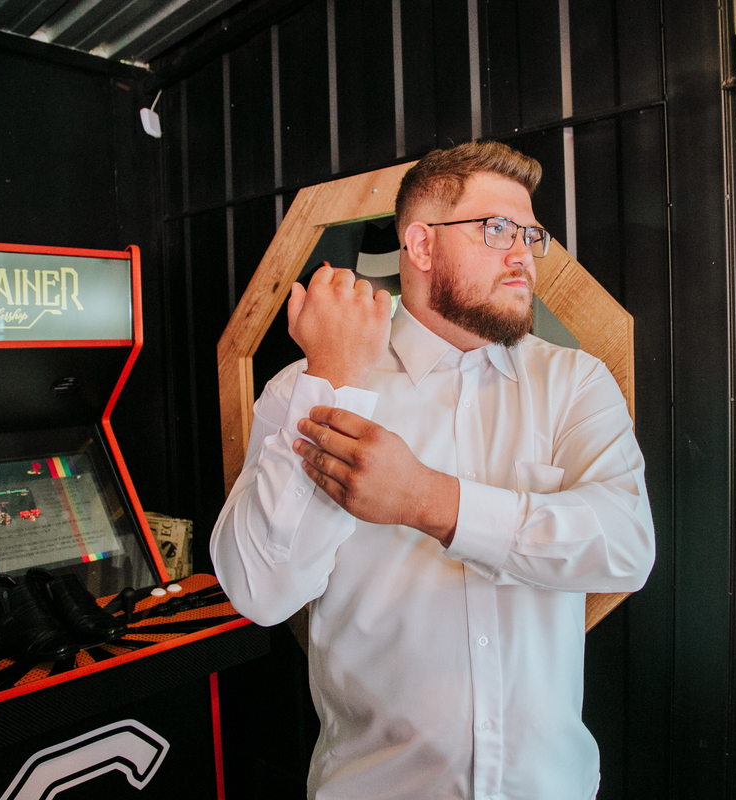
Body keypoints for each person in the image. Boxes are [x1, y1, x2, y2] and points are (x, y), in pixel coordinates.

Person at [210, 140, 655, 800]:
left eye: (531, 235)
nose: (523, 255)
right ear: (420, 245)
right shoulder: (308, 387)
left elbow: (626, 548)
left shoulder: (573, 382)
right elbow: (260, 591)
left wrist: (429, 500)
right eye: (497, 229)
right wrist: (335, 380)